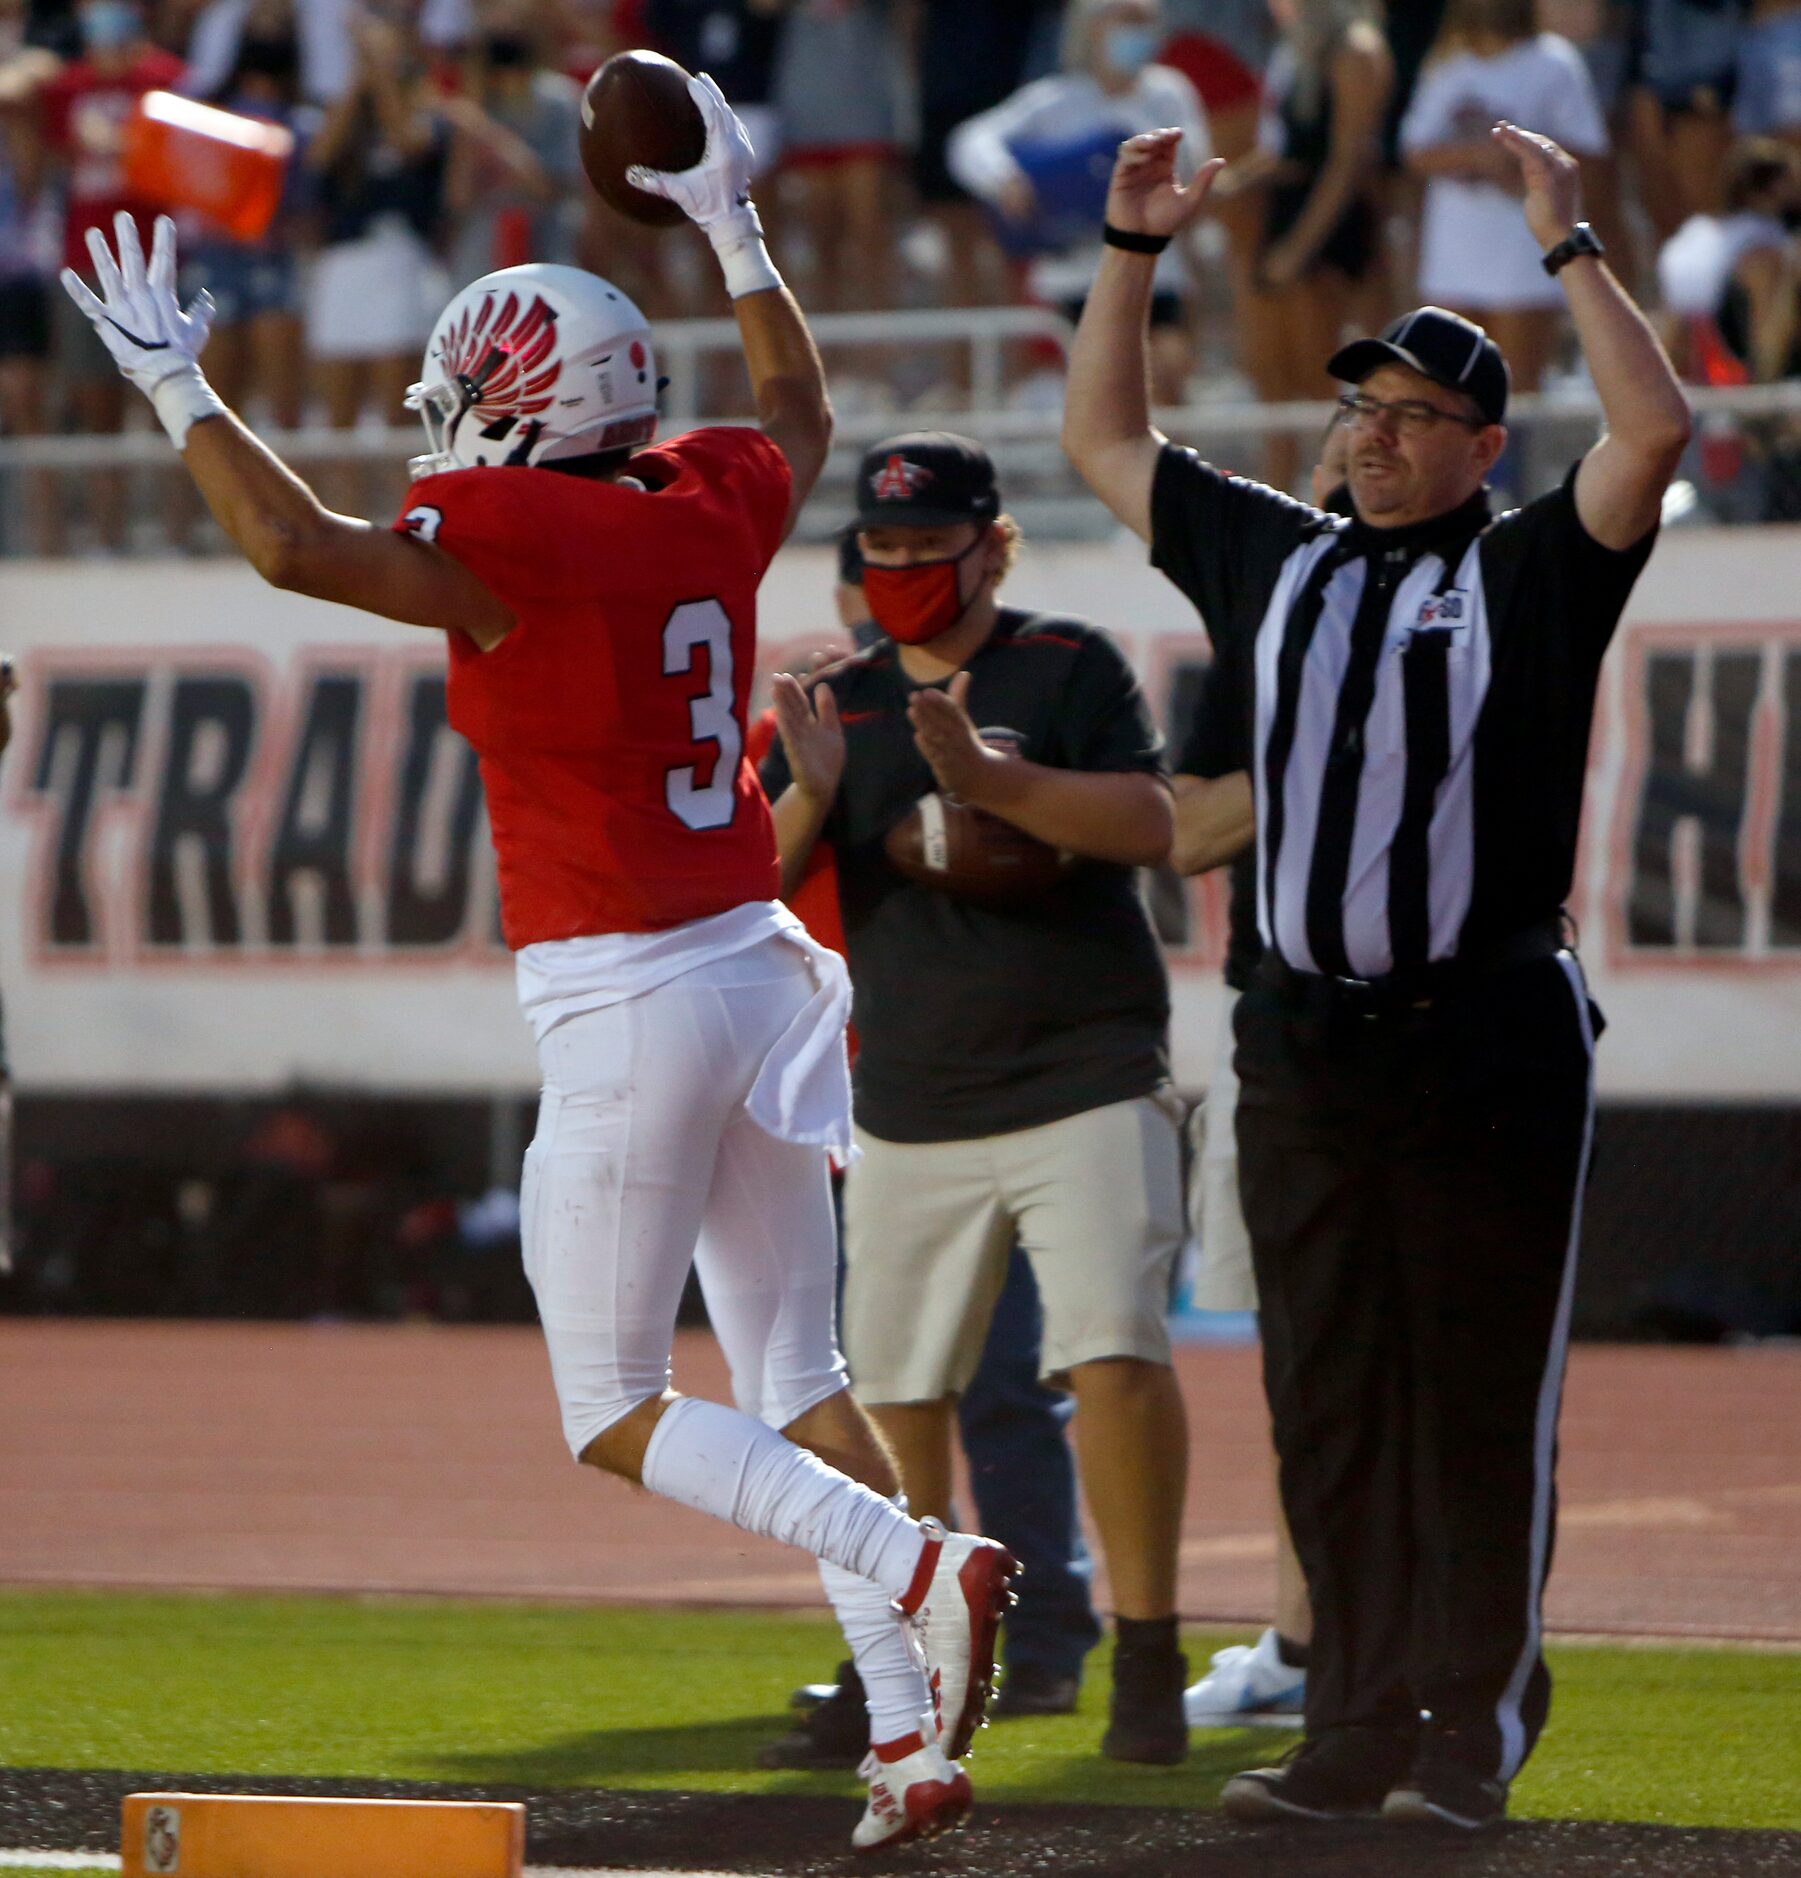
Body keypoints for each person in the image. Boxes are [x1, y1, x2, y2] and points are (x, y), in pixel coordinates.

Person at [60, 75, 1018, 1851]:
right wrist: (735, 223)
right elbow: (797, 407)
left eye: (460, 390)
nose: (438, 419)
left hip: (631, 992)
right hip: (752, 960)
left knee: (612, 1408)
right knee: (797, 1377)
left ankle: (918, 1552)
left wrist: (171, 379)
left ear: (518, 395)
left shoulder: (517, 539)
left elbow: (289, 546)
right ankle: (908, 1728)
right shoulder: (706, 496)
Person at [1064, 118, 1688, 1826]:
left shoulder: (1528, 566)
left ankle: (1468, 1725)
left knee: (1476, 1395)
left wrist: (1569, 242)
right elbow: (1104, 436)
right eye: (1363, 407)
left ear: (1483, 444)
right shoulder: (1279, 554)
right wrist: (1131, 253)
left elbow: (1656, 431)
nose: (1377, 435)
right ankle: (1351, 1721)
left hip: (1482, 1027)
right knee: (1322, 1391)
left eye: (1415, 414)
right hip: (1304, 1040)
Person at [761, 431, 1192, 1765]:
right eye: (879, 549)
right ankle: (899, 1659)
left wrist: (992, 780)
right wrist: (815, 789)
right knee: (894, 1390)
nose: (899, 569)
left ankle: (1150, 1655)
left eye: (925, 545)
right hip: (910, 1090)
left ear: (991, 545)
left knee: (1112, 1353)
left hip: (1083, 1068)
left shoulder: (1067, 664)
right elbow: (751, 892)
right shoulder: (843, 697)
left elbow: (1151, 822)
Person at [1169, 416, 1352, 1732]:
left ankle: (1425, 1650)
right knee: (1299, 1355)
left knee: (1434, 1365)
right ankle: (1303, 1637)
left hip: (1452, 1029)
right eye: (1335, 477)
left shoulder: (1493, 622)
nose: (1352, 500)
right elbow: (1187, 829)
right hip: (1282, 1026)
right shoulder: (1265, 639)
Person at [946, 0, 1210, 404]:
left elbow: (1193, 161)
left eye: (1142, 20)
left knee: (1166, 378)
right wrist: (1006, 180)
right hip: (1074, 277)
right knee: (1095, 395)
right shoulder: (1055, 99)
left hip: (1156, 274)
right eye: (1123, 19)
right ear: (1091, 27)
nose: (1133, 30)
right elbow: (971, 141)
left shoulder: (1169, 93)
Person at [1212, 0, 1391, 492]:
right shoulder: (1296, 50)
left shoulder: (1356, 50)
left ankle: (1330, 494)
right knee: (1272, 370)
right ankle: (1275, 491)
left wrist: (1298, 249)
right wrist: (1232, 182)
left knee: (1319, 375)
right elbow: (1285, 148)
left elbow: (1346, 162)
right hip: (1283, 219)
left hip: (1328, 232)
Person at [1401, 0, 1611, 393]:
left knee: (1514, 387)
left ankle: (1511, 458)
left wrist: (1516, 162)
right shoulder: (1447, 63)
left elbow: (1587, 151)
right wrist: (1475, 156)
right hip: (1454, 251)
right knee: (1448, 386)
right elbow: (1414, 149)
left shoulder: (1553, 61)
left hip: (1523, 249)